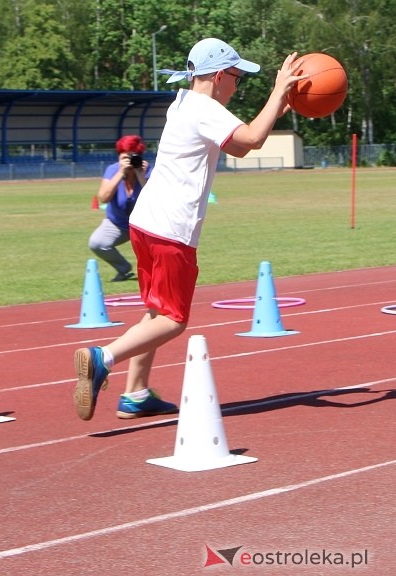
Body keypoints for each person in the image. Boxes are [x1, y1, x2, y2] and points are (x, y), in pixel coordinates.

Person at [73, 37, 302, 421]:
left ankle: (135, 393)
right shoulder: (203, 108)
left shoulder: (182, 104)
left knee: (155, 310)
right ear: (217, 76)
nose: (237, 85)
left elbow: (243, 135)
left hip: (146, 222)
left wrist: (277, 103)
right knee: (173, 320)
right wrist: (278, 93)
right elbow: (249, 142)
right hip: (170, 229)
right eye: (236, 77)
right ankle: (102, 358)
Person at [88, 134, 150, 282]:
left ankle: (155, 273)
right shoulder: (113, 170)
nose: (128, 161)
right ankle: (123, 269)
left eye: (132, 157)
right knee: (97, 243)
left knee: (159, 250)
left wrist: (140, 175)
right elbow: (103, 197)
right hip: (118, 224)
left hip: (146, 224)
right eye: (124, 158)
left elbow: (156, 200)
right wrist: (121, 173)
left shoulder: (148, 170)